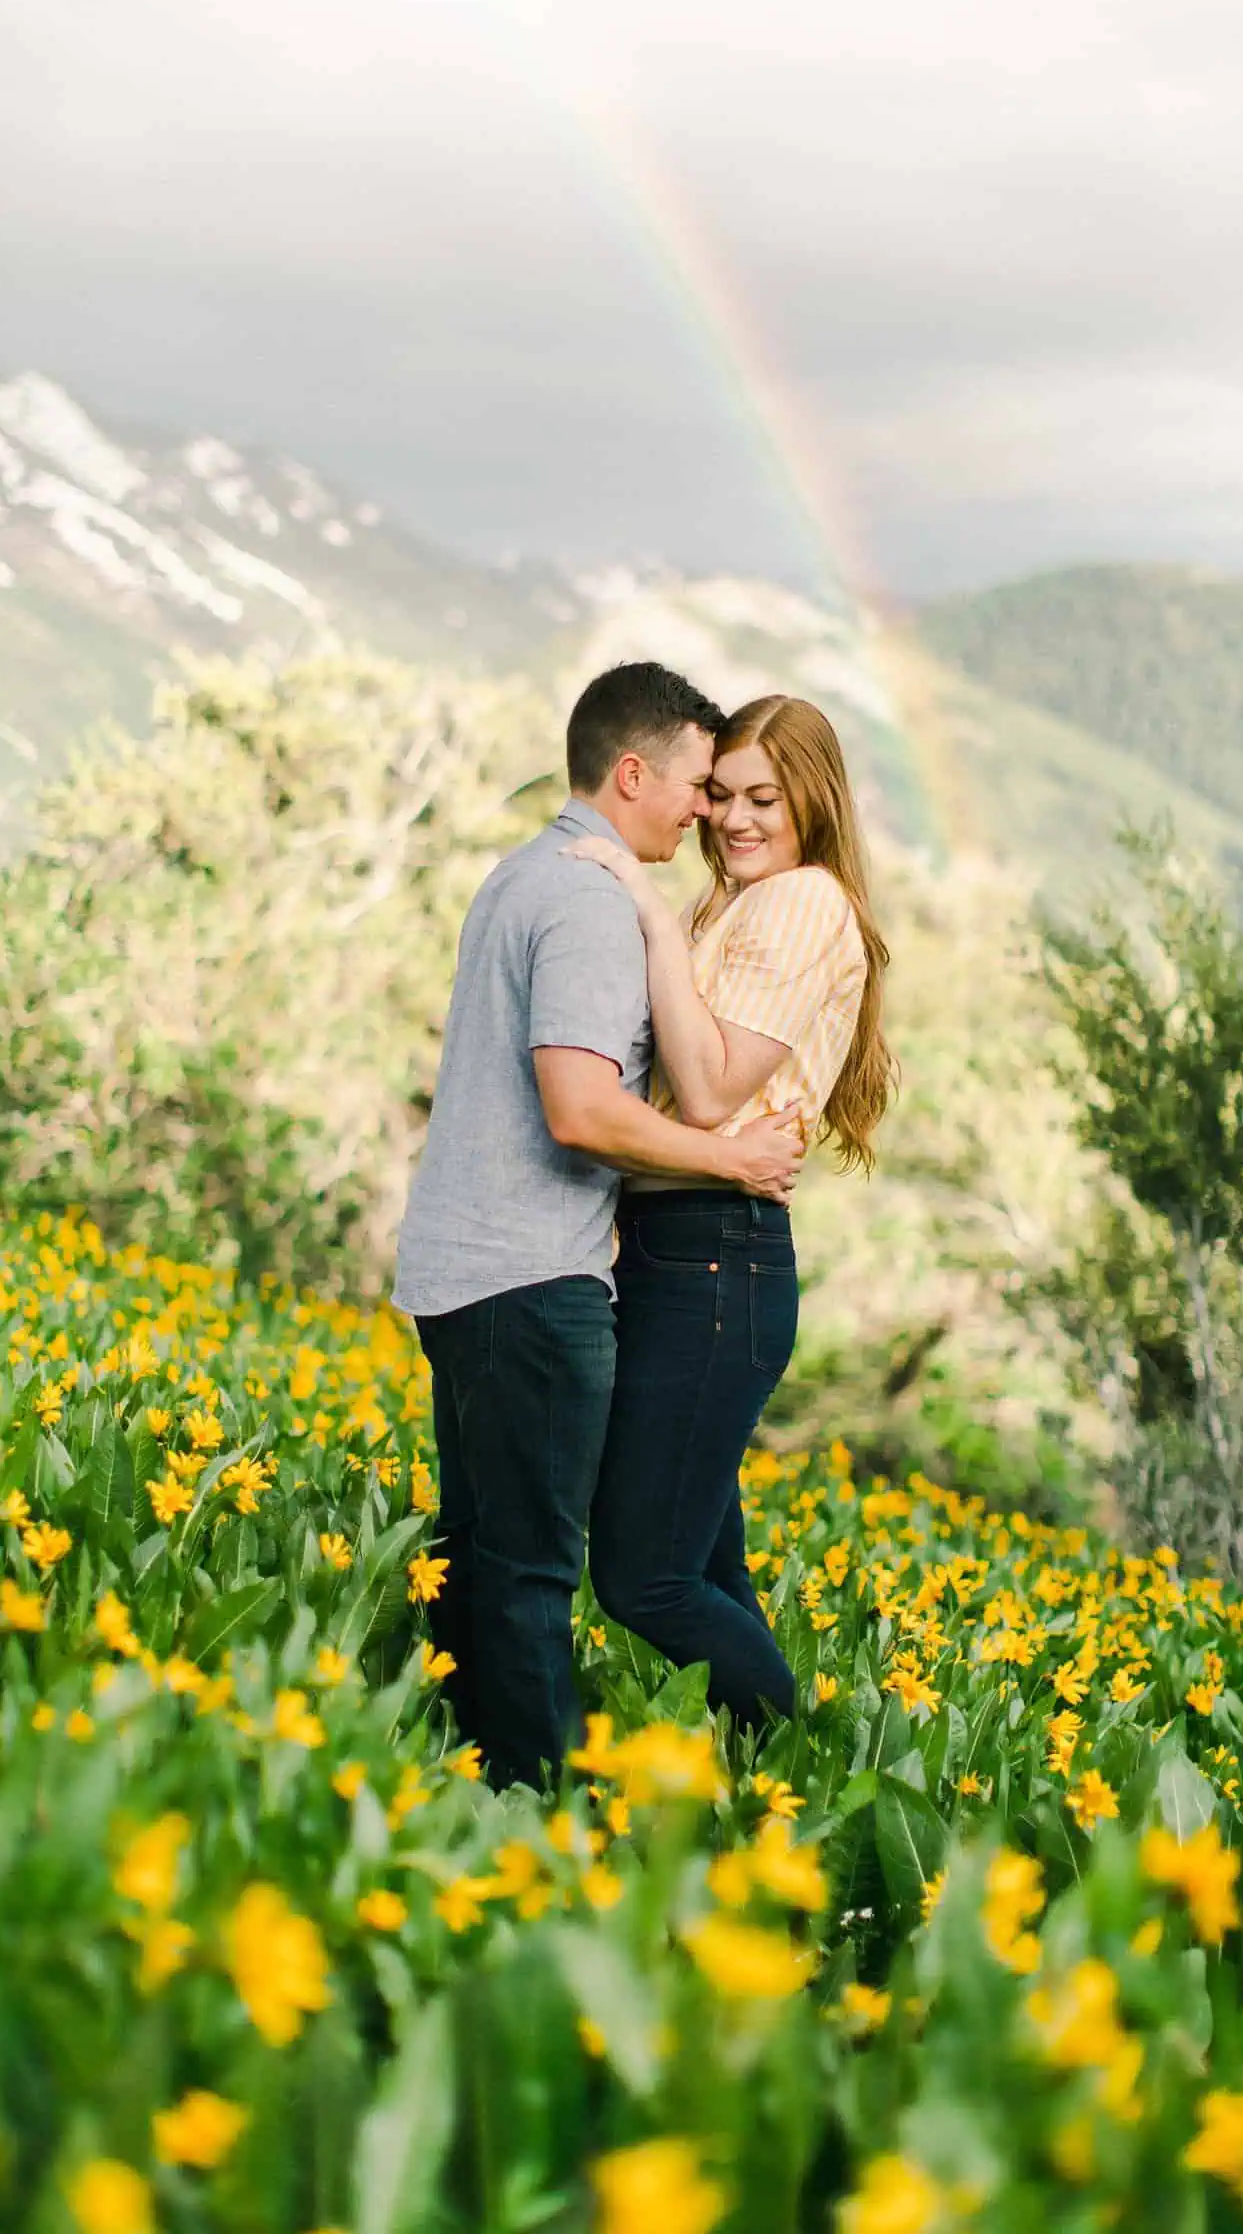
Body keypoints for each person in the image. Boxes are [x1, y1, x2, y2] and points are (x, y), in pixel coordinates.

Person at [393, 662, 805, 1792]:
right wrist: (730, 1155)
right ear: (633, 774)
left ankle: (453, 1781)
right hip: (529, 1276)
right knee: (527, 1574)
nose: (706, 812)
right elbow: (578, 1110)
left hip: (464, 1270)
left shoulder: (524, 872)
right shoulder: (585, 900)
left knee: (476, 1555)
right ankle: (536, 1812)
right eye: (695, 786)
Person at [567, 693, 895, 1729]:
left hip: (714, 1264)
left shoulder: (798, 902)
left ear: (813, 804)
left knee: (642, 1579)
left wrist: (648, 912)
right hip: (679, 1251)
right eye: (719, 793)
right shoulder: (734, 905)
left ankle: (801, 1749)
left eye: (766, 797)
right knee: (702, 1565)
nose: (736, 817)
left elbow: (708, 1092)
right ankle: (762, 1791)